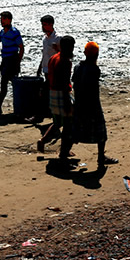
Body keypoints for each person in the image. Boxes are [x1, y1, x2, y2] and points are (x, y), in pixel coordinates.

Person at [72, 42, 118, 167]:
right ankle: (100, 157)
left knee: (75, 130)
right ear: (96, 54)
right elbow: (92, 89)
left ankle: (64, 154)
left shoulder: (77, 67)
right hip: (91, 104)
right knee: (101, 134)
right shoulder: (94, 69)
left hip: (79, 103)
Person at [37, 36, 75, 165]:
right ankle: (64, 151)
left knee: (57, 122)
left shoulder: (54, 58)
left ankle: (43, 141)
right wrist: (67, 102)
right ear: (69, 47)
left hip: (52, 92)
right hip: (61, 93)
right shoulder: (65, 61)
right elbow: (65, 83)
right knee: (68, 124)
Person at [0, 11, 24, 116]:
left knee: (13, 83)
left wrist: (18, 61)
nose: (1, 21)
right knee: (4, 83)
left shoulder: (14, 32)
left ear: (9, 20)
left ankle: (9, 107)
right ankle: (0, 106)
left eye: (4, 19)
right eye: (1, 19)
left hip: (12, 59)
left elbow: (21, 48)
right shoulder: (2, 32)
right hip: (5, 60)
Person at [32, 15, 60, 122]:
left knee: (45, 93)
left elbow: (64, 54)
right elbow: (44, 54)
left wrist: (57, 49)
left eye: (45, 25)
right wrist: (40, 67)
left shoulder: (57, 38)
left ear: (51, 25)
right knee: (46, 93)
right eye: (42, 25)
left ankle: (40, 116)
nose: (43, 27)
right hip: (46, 69)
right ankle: (49, 115)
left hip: (54, 70)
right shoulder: (45, 38)